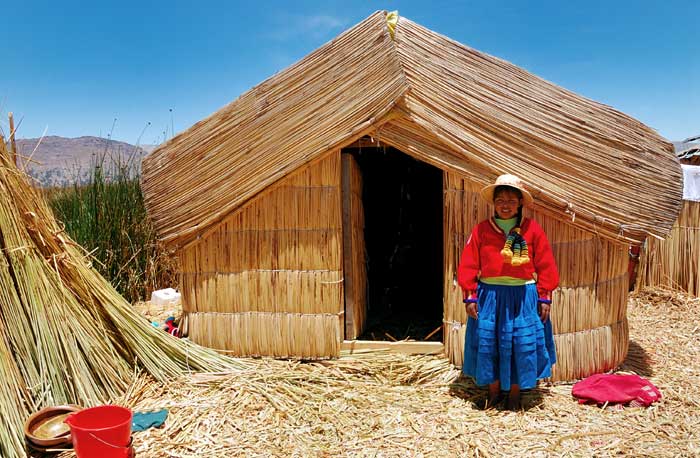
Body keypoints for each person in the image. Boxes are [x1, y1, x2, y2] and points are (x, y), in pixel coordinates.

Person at [457, 174, 559, 410]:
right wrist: (470, 294)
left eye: (511, 200)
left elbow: (545, 263)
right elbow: (469, 263)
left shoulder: (531, 229)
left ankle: (515, 394)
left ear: (520, 203)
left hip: (522, 297)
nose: (505, 205)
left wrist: (545, 296)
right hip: (490, 296)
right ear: (493, 203)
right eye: (500, 200)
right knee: (489, 343)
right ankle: (493, 392)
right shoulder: (482, 230)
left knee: (519, 345)